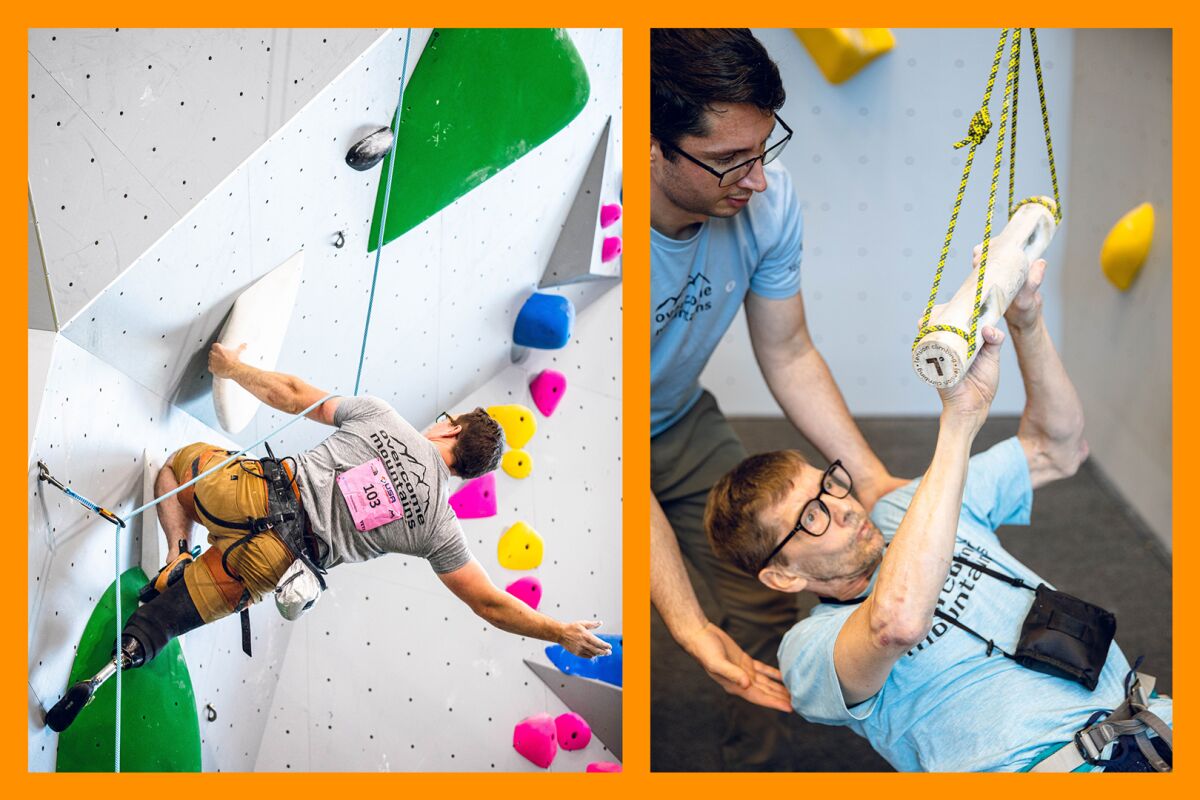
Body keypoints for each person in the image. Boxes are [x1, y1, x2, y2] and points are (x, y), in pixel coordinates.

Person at [705, 259, 1172, 771]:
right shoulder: (808, 653)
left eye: (831, 486)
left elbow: (1056, 446)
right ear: (783, 574)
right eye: (812, 515)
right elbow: (897, 624)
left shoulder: (912, 510)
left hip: (1153, 726)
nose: (843, 507)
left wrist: (1027, 321)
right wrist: (959, 421)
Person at [46, 342, 611, 732]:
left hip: (252, 493)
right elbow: (489, 602)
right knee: (162, 624)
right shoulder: (439, 524)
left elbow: (292, 393)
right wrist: (556, 629)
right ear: (464, 473)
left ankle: (175, 552)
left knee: (175, 466)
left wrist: (230, 367)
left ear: (452, 427)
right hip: (277, 564)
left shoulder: (385, 418)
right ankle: (112, 664)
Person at [650, 28, 904, 769]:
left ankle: (753, 759)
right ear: (652, 146)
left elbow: (789, 351)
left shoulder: (768, 201)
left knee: (765, 589)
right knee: (616, 595)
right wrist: (689, 625)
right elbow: (613, 455)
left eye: (765, 148)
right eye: (729, 161)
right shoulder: (600, 243)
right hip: (579, 429)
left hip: (677, 416)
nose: (757, 179)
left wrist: (871, 477)